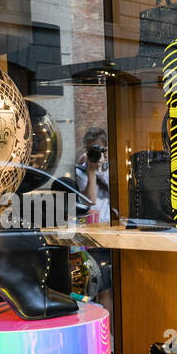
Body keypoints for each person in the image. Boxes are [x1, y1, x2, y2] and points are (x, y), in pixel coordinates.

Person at [72, 126, 114, 312]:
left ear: (105, 149)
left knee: (108, 291)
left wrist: (103, 167)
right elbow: (91, 200)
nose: (95, 154)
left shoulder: (113, 169)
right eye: (91, 150)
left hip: (110, 232)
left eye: (98, 149)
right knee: (95, 289)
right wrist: (90, 170)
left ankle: (111, 334)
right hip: (92, 236)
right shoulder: (82, 170)